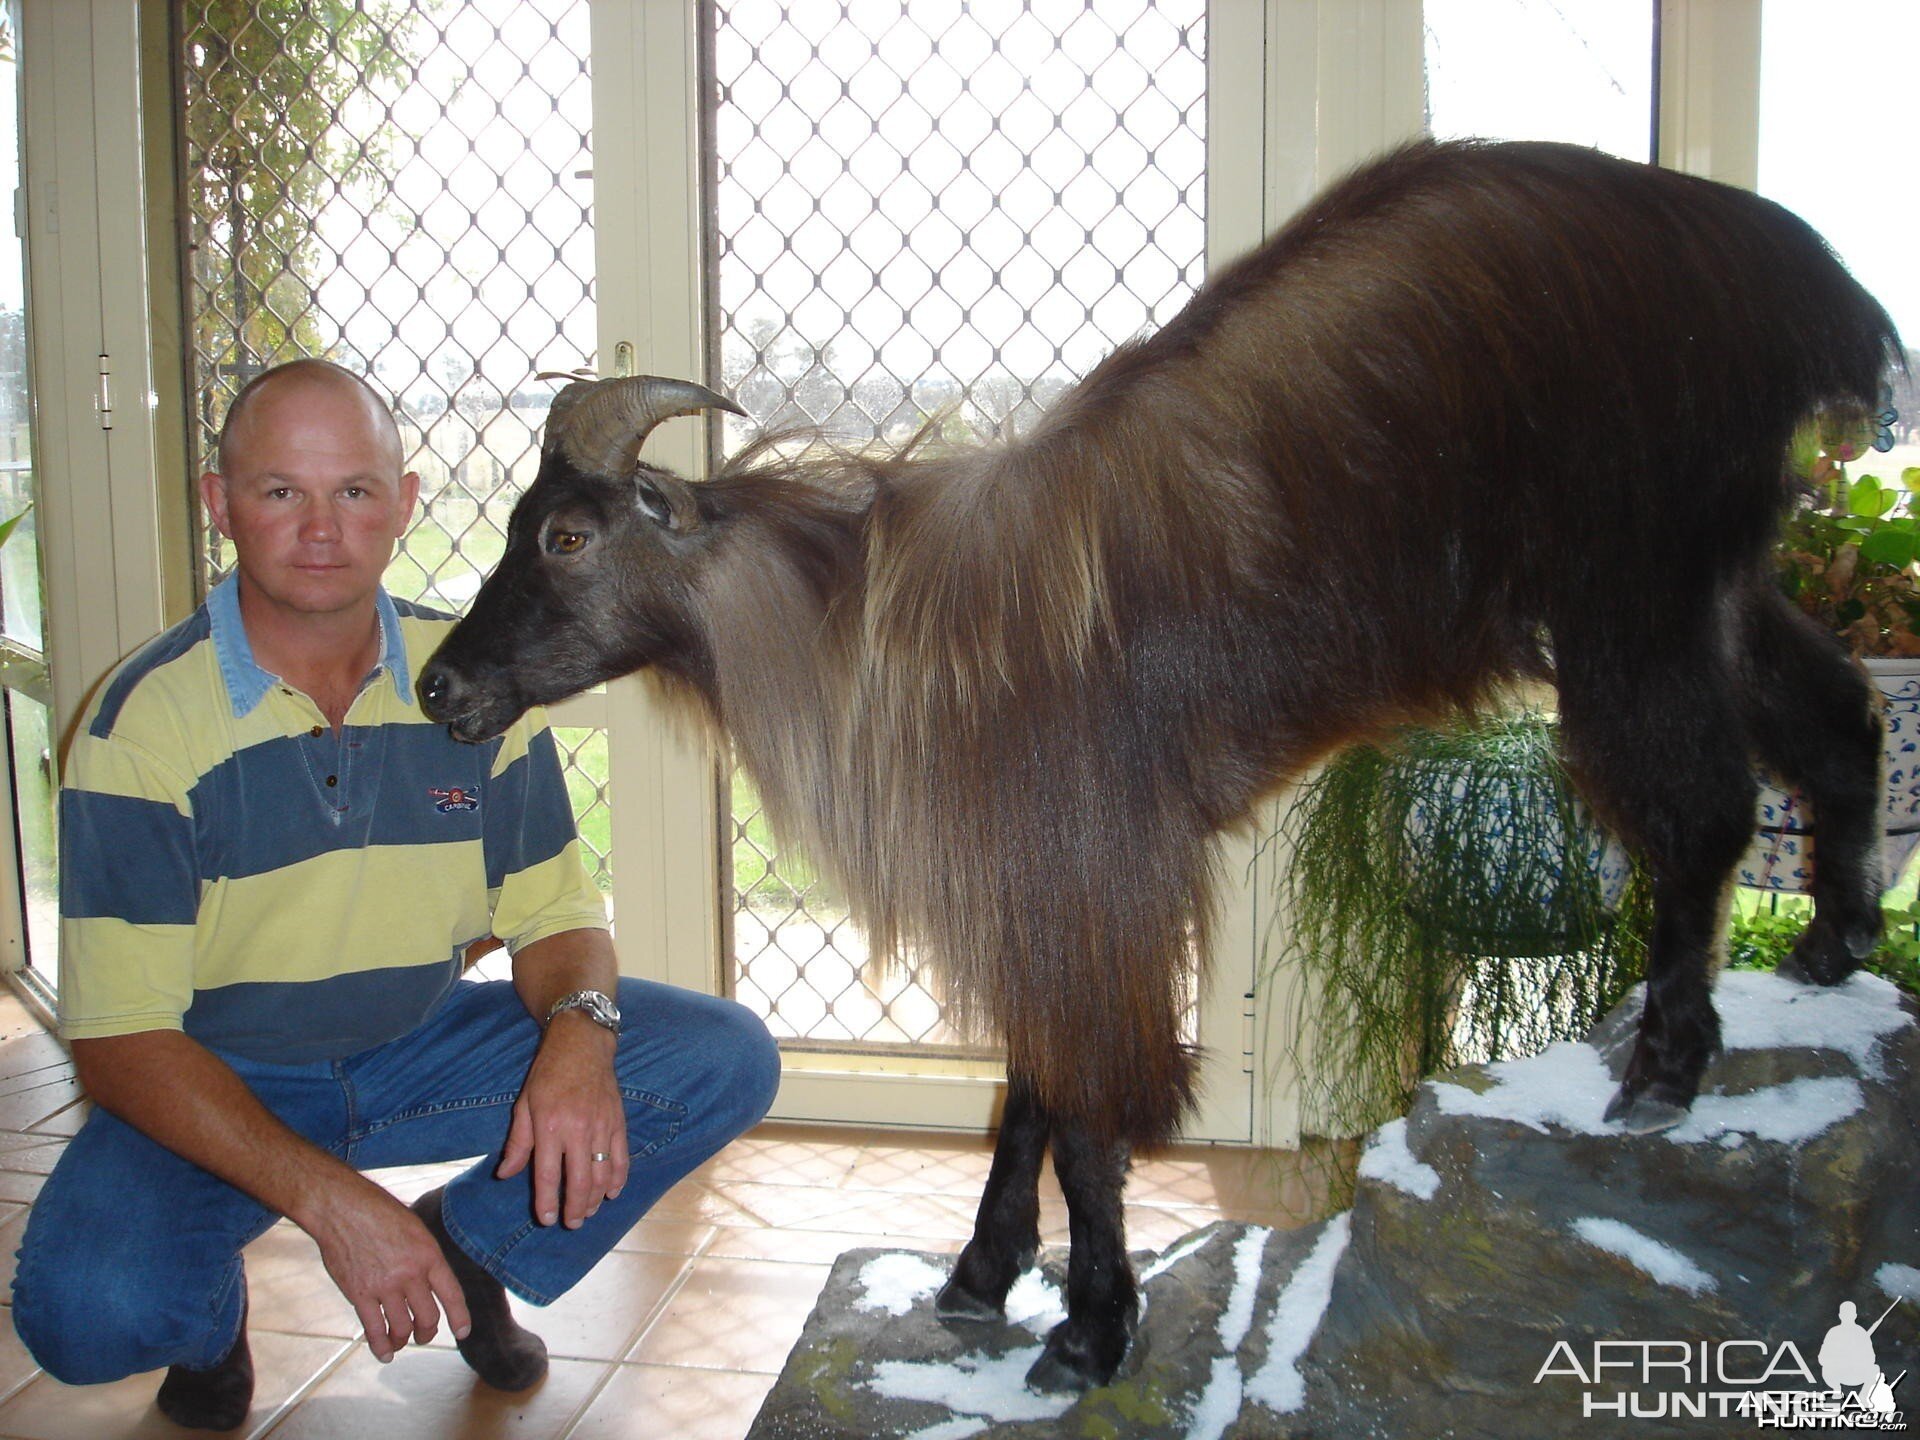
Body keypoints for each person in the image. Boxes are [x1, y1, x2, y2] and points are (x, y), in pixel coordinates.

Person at [9, 358, 781, 1429]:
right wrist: (334, 1206)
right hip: (223, 1075)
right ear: (219, 503)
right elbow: (120, 1039)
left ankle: (471, 1248)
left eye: (355, 492)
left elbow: (556, 919)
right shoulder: (139, 726)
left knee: (720, 1056)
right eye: (282, 492)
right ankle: (204, 1318)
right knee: (85, 1313)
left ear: (404, 503)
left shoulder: (474, 673)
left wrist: (580, 1033)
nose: (322, 529)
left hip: (416, 1048)